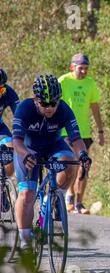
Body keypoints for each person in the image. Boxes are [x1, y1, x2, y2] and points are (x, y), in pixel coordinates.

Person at [12, 74, 91, 249]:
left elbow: (76, 139)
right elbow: (16, 140)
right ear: (35, 100)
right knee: (27, 194)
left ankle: (56, 197)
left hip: (53, 146)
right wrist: (25, 155)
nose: (49, 108)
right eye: (44, 104)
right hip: (27, 149)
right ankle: (25, 239)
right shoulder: (24, 108)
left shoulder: (64, 109)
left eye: (53, 103)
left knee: (70, 161)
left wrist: (83, 154)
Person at [59, 53, 104, 214]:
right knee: (72, 163)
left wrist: (100, 130)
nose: (84, 71)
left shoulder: (90, 83)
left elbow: (95, 107)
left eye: (86, 68)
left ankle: (80, 202)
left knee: (84, 165)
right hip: (66, 130)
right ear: (72, 67)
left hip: (84, 132)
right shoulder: (63, 81)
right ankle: (69, 197)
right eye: (80, 68)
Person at [0, 68, 20, 177]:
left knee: (11, 150)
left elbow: (19, 115)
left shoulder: (8, 92)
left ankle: (3, 185)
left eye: (1, 90)